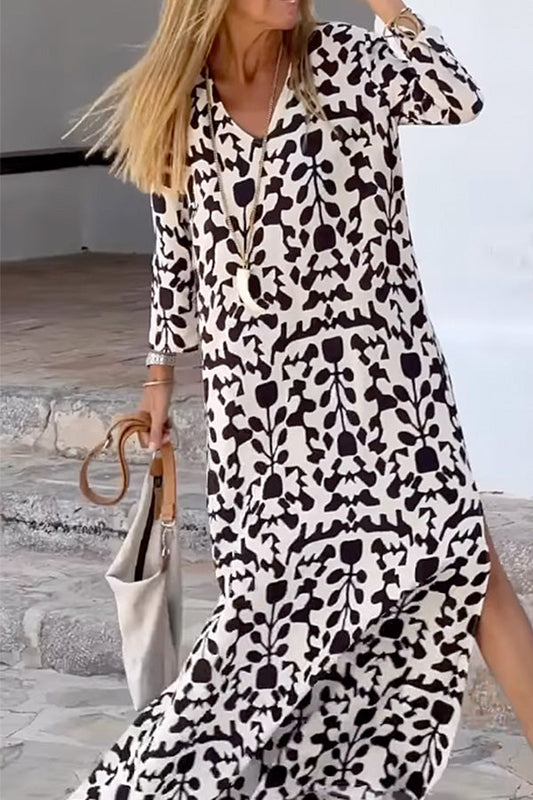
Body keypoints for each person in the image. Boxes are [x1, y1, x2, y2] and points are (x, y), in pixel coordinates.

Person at [65, 0, 533, 798]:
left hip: (388, 387)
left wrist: (390, 7)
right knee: (265, 622)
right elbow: (176, 254)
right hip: (262, 410)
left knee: (464, 557)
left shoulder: (344, 61)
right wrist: (158, 377)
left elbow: (456, 97)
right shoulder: (176, 103)